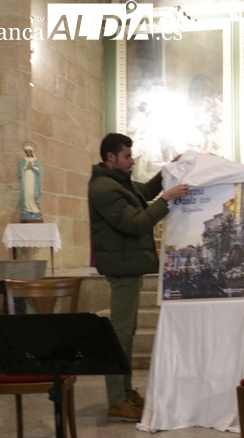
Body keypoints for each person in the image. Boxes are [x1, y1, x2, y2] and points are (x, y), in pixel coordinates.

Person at [88, 133, 190, 421]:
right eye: (127, 157)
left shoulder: (117, 181)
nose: (132, 161)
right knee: (119, 334)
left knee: (128, 331)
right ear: (111, 157)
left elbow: (143, 191)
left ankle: (125, 390)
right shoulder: (103, 188)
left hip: (128, 264)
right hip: (122, 267)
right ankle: (116, 399)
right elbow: (134, 223)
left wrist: (167, 171)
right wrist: (166, 199)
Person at [18, 142, 42, 221]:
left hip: (32, 179)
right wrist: (26, 167)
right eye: (26, 152)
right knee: (27, 193)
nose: (28, 153)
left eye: (29, 151)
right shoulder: (24, 160)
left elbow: (39, 171)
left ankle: (35, 209)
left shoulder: (35, 160)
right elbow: (20, 170)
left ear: (32, 152)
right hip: (26, 179)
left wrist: (33, 167)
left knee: (32, 193)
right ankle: (27, 209)